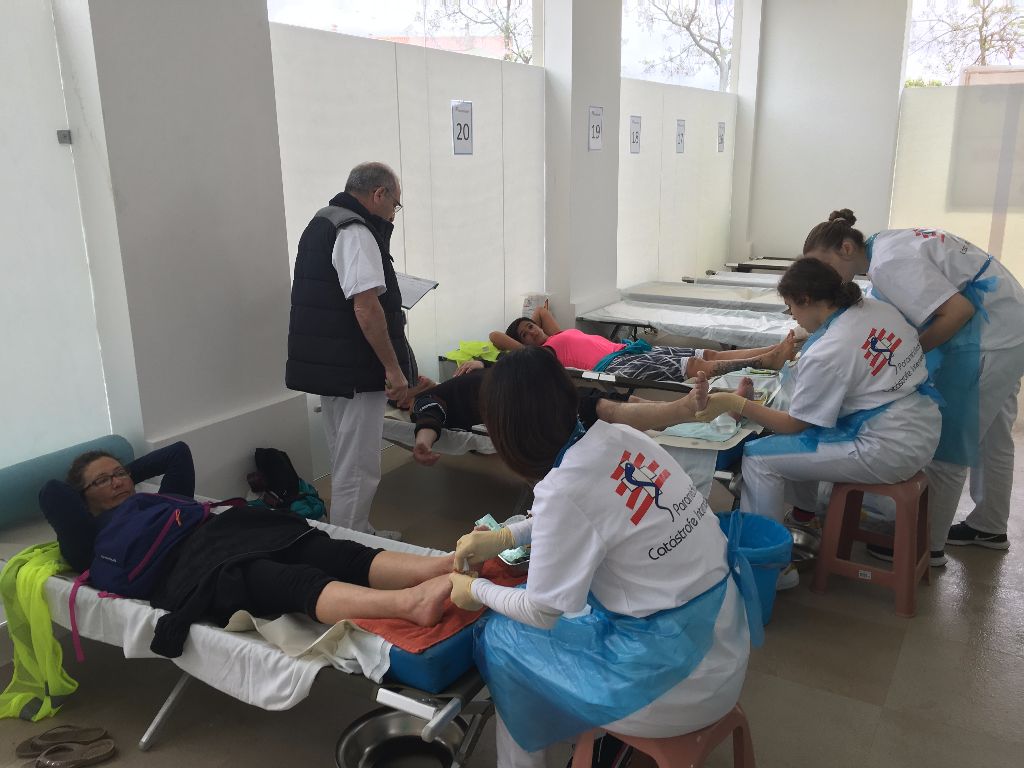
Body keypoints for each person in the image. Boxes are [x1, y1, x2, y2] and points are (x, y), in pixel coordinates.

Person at [447, 348, 750, 768]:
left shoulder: (563, 488)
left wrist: (475, 589)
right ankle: (587, 732)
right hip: (725, 642)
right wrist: (506, 536)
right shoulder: (618, 437)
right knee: (579, 606)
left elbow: (541, 611)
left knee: (504, 638)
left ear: (506, 435)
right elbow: (592, 510)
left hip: (679, 684)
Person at [39, 442, 453, 658]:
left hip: (228, 532)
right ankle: (408, 604)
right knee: (284, 580)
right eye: (103, 481)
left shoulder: (163, 499)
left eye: (120, 473)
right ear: (83, 499)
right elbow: (50, 491)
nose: (117, 482)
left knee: (323, 549)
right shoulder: (91, 539)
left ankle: (436, 568)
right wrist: (94, 488)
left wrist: (121, 475)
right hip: (189, 571)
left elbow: (178, 453)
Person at [695, 259, 942, 580]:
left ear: (807, 300)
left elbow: (794, 424)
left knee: (759, 457)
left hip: (885, 446)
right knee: (797, 443)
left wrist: (735, 402)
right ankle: (805, 517)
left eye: (791, 307)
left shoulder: (828, 351)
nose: (792, 316)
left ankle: (771, 568)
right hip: (922, 423)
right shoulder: (878, 309)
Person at [803, 209, 1024, 556]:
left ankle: (925, 547)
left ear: (845, 248)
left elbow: (958, 311)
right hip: (1010, 325)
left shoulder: (888, 263)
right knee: (994, 438)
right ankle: (989, 527)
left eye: (824, 265)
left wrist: (912, 351)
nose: (823, 278)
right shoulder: (885, 244)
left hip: (987, 342)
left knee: (950, 446)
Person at [286, 161, 421, 538]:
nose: (393, 213)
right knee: (359, 464)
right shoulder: (355, 231)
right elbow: (366, 307)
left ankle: (356, 531)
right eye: (395, 204)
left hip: (330, 364)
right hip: (355, 368)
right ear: (379, 194)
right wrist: (393, 370)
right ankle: (351, 544)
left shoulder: (322, 222)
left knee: (345, 457)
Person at [410, 360, 710, 467]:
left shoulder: (447, 384)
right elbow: (429, 419)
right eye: (400, 389)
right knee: (602, 408)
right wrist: (423, 443)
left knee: (607, 399)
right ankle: (680, 411)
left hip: (534, 385)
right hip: (527, 405)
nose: (417, 379)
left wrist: (483, 364)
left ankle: (683, 415)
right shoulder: (427, 401)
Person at [489, 303, 795, 383]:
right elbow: (495, 337)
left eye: (531, 327)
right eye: (525, 335)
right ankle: (762, 362)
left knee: (709, 353)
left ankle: (771, 350)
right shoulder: (542, 354)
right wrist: (524, 343)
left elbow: (542, 311)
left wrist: (532, 318)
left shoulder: (556, 336)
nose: (532, 331)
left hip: (630, 350)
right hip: (615, 365)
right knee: (694, 366)